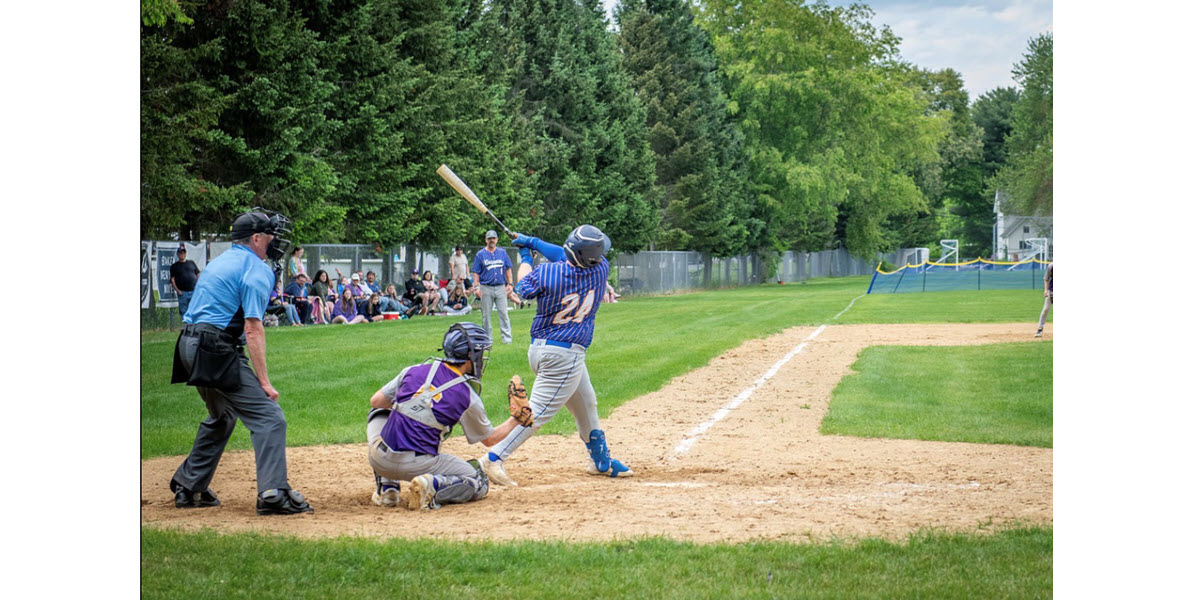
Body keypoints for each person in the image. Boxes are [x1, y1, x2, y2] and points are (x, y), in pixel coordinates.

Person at [169, 209, 314, 515]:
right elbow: (253, 326)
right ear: (257, 238)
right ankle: (273, 493)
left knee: (223, 415)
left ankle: (188, 484)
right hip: (214, 348)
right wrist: (263, 381)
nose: (276, 239)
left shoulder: (221, 261)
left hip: (187, 345)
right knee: (270, 418)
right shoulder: (257, 268)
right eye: (271, 234)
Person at [477, 225, 632, 486]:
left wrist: (526, 255)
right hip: (564, 356)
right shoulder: (600, 269)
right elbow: (565, 254)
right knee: (537, 413)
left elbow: (522, 291)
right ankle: (493, 458)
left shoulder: (547, 273)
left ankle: (599, 461)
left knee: (587, 402)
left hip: (545, 350)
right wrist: (533, 242)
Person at [366, 323, 521, 509]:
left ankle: (387, 488)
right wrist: (516, 420)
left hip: (379, 459)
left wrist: (413, 406)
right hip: (418, 464)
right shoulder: (467, 394)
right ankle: (433, 486)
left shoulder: (413, 369)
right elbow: (489, 440)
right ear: (470, 356)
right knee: (477, 479)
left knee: (379, 411)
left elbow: (377, 401)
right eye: (479, 353)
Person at [471, 230, 514, 344]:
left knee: (504, 313)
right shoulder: (480, 254)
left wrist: (510, 284)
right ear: (486, 240)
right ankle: (487, 339)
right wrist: (476, 287)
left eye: (493, 238)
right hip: (486, 287)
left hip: (500, 287)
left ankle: (507, 339)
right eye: (489, 238)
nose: (492, 240)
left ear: (497, 239)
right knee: (486, 315)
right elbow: (475, 271)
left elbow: (508, 268)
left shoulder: (502, 253)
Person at [169, 244, 201, 318]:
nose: (182, 254)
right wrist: (178, 291)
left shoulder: (191, 263)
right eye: (180, 253)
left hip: (193, 292)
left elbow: (198, 274)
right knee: (184, 312)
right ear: (178, 254)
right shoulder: (174, 266)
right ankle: (186, 327)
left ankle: (193, 327)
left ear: (185, 254)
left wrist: (197, 287)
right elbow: (172, 280)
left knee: (193, 310)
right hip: (182, 293)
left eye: (183, 253)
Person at [1035, 262, 1053, 337]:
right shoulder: (1052, 266)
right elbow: (1046, 279)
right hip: (1051, 291)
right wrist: (1045, 290)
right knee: (1045, 310)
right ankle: (1040, 329)